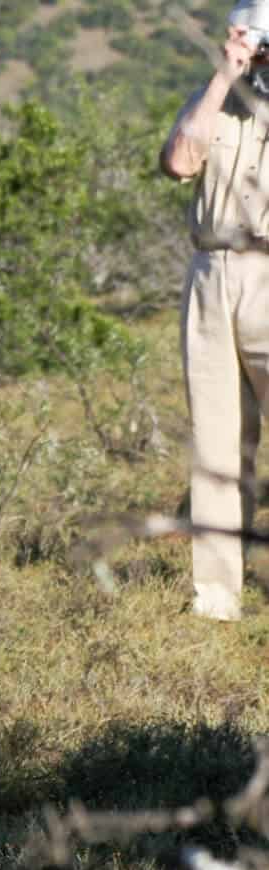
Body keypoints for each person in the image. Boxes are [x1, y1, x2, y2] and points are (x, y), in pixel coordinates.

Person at [160, 3, 269, 621]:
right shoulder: (213, 99)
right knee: (217, 442)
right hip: (210, 275)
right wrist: (223, 77)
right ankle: (217, 599)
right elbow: (179, 162)